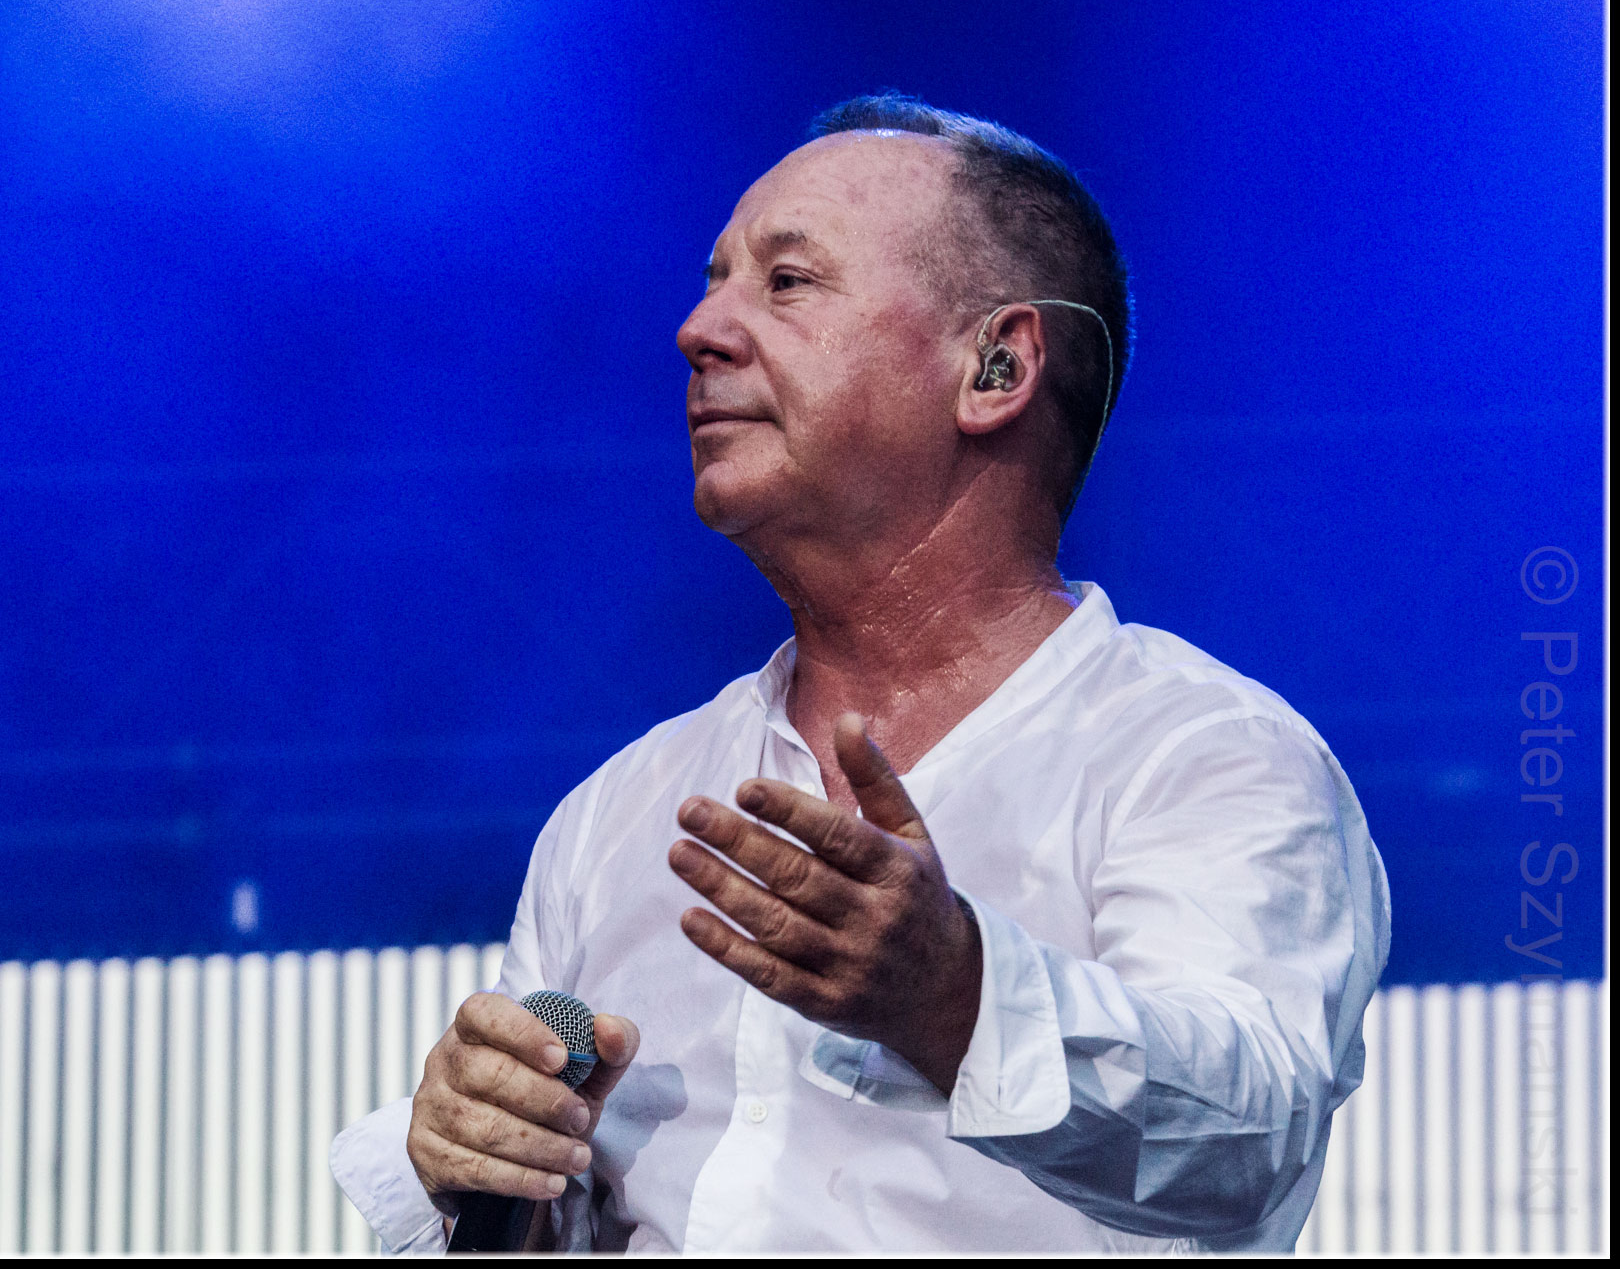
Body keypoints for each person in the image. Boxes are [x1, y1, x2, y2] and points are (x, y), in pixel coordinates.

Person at [330, 92, 1390, 1253]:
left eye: (786, 283)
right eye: (714, 281)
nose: (698, 329)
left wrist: (956, 994)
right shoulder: (616, 812)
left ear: (996, 366)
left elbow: (1246, 1138)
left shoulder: (1202, 755)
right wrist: (485, 1173)